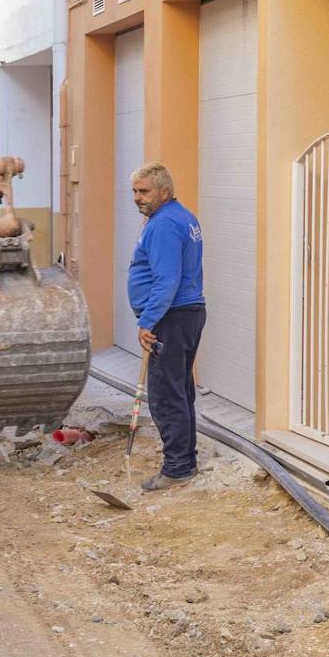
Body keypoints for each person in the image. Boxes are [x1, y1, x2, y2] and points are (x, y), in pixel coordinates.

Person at [126, 162, 206, 492]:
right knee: (180, 390)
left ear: (164, 190)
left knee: (165, 395)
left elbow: (167, 279)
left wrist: (147, 322)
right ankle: (185, 461)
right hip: (184, 314)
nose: (137, 198)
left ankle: (177, 469)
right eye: (134, 191)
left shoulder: (164, 225)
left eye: (143, 191)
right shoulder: (180, 217)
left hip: (171, 318)